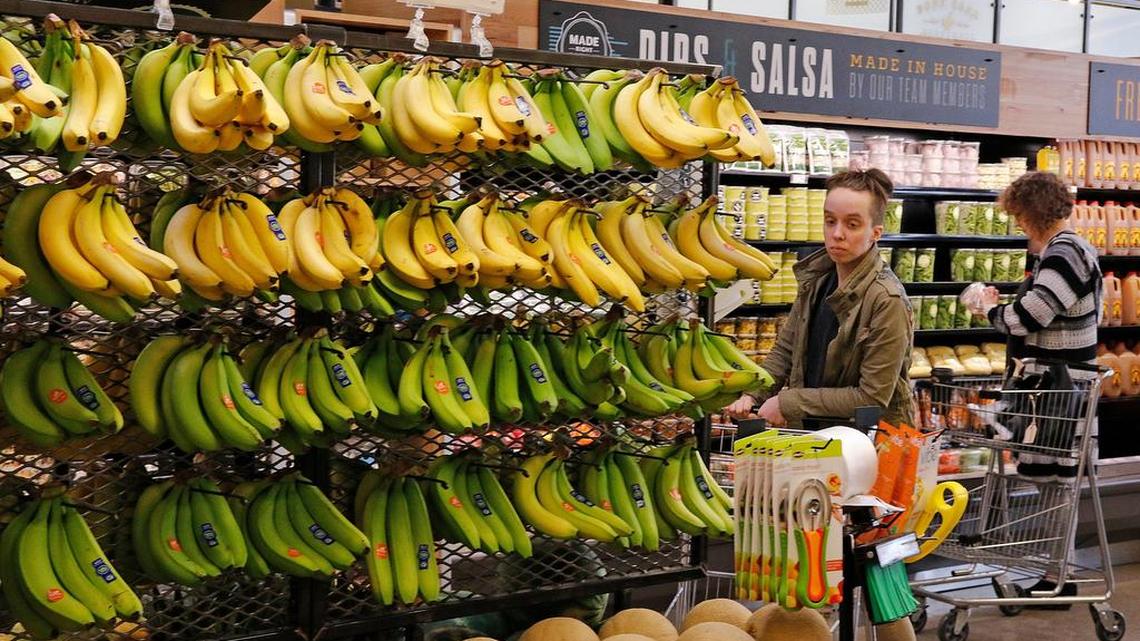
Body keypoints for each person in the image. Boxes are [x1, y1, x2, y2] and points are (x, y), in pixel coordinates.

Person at [975, 170, 1102, 606]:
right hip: (1055, 392)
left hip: (1062, 394)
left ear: (1033, 214)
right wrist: (1005, 303)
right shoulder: (1061, 252)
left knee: (1058, 487)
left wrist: (989, 308)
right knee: (1055, 486)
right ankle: (1056, 575)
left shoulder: (1065, 253)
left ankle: (1058, 578)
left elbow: (1028, 318)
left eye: (1019, 217)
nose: (1017, 226)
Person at [724, 168, 914, 428]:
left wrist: (787, 403)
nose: (837, 233)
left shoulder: (886, 299)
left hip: (868, 449)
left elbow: (871, 397)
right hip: (814, 438)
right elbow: (786, 350)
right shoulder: (816, 280)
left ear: (875, 233)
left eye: (852, 224)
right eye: (830, 221)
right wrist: (752, 393)